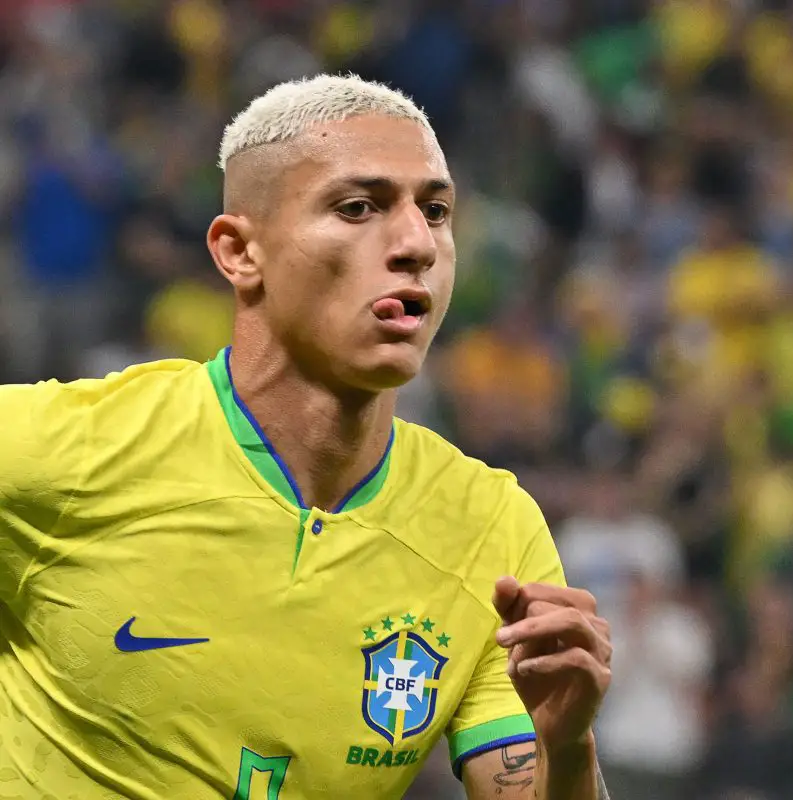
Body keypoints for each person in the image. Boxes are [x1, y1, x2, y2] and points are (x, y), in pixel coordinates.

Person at [0, 74, 613, 800]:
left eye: (438, 211)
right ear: (239, 253)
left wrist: (567, 747)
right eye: (359, 207)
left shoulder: (489, 533)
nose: (416, 242)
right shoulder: (57, 448)